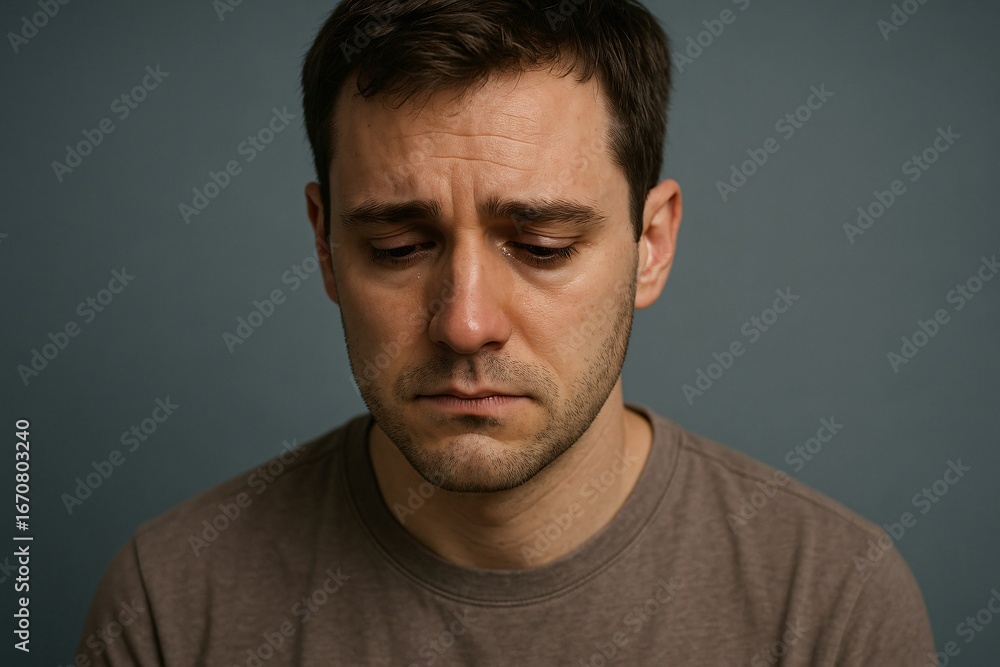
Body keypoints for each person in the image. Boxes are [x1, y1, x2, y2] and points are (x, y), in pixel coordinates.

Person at [76, 0, 935, 664]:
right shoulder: (172, 605)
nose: (465, 321)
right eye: (399, 247)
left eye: (542, 246)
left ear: (651, 244)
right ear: (325, 244)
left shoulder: (830, 604)